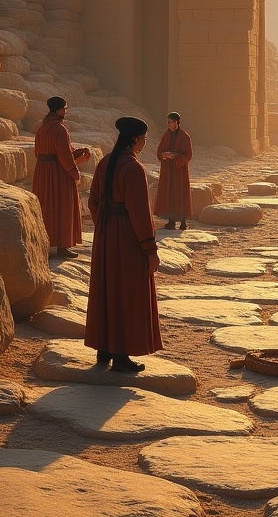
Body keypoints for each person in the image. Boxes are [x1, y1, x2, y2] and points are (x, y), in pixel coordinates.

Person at [84, 116, 163, 373]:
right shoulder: (133, 168)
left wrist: (105, 225)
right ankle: (121, 355)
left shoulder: (105, 162)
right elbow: (139, 212)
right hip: (127, 236)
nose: (145, 143)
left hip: (106, 233)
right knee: (127, 290)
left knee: (107, 286)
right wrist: (149, 248)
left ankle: (104, 348)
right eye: (144, 139)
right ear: (136, 139)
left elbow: (93, 202)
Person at [32, 96, 89, 258]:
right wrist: (74, 170)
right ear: (59, 110)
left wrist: (76, 153)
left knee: (47, 207)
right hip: (57, 174)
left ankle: (46, 243)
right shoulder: (59, 128)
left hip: (43, 172)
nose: (66, 111)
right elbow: (64, 157)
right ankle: (62, 246)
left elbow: (40, 153)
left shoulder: (42, 127)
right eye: (65, 108)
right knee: (62, 207)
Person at [154, 111, 194, 230]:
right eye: (168, 122)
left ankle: (183, 221)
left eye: (170, 122)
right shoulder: (166, 135)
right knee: (169, 193)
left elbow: (188, 155)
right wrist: (164, 155)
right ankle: (171, 221)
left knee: (180, 193)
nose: (168, 124)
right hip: (168, 170)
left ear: (176, 122)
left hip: (179, 171)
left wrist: (175, 156)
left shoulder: (184, 136)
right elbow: (160, 150)